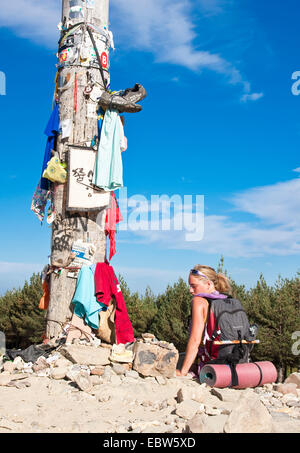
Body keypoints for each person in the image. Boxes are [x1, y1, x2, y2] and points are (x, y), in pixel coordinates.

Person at [176, 265, 232, 377]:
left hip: (209, 367)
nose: (190, 290)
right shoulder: (228, 300)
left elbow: (195, 340)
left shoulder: (199, 301)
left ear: (209, 284)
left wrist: (183, 372)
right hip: (232, 362)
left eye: (193, 286)